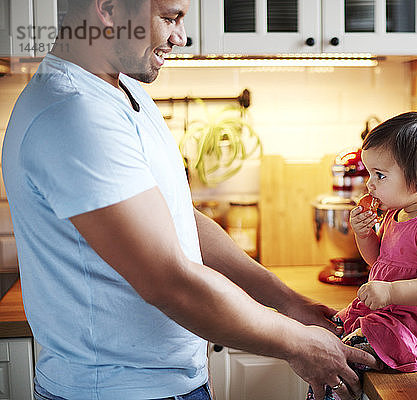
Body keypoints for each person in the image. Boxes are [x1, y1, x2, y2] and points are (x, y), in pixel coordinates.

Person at [1, 1, 379, 399]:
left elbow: (181, 218)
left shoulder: (122, 89)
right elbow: (170, 281)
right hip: (118, 391)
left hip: (165, 384)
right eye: (169, 17)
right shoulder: (73, 113)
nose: (180, 38)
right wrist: (297, 343)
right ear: (109, 9)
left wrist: (286, 302)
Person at [308, 112, 417, 400]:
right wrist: (364, 234)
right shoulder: (397, 213)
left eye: (380, 175)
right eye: (371, 174)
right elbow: (377, 260)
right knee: (322, 338)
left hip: (414, 327)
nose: (370, 184)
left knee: (340, 359)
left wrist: (391, 291)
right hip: (385, 316)